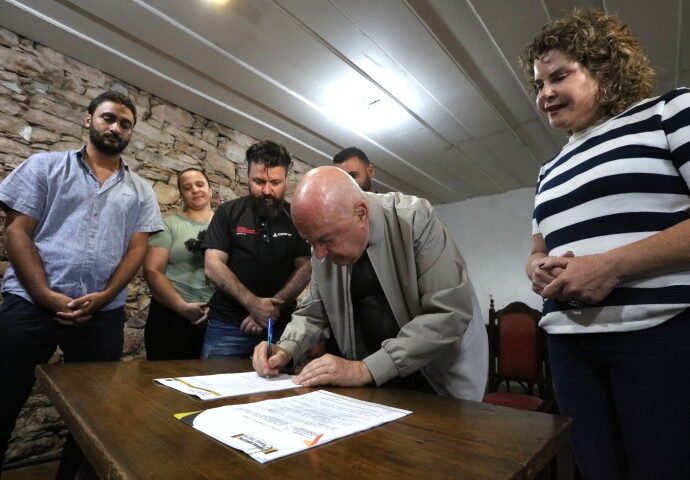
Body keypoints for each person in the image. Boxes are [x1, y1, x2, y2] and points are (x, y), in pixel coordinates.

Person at [522, 9, 690, 479]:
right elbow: (537, 250)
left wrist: (612, 266)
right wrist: (536, 269)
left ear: (605, 68)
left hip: (662, 336)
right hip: (568, 348)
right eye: (538, 84)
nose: (544, 93)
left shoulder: (669, 112)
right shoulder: (547, 170)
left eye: (559, 76)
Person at [0, 91, 164, 473]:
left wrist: (106, 296)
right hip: (30, 303)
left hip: (101, 314)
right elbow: (17, 231)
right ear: (89, 119)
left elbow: (137, 249)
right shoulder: (45, 166)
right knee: (3, 398)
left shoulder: (141, 190)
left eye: (125, 124)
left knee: (92, 416)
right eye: (109, 118)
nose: (116, 127)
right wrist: (44, 294)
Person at [252, 166, 487, 400]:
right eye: (310, 243)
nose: (319, 254)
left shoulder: (415, 219)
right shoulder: (322, 245)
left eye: (326, 240)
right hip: (374, 385)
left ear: (361, 214)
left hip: (437, 381)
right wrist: (284, 349)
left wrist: (363, 369)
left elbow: (447, 312)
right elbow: (313, 313)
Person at [201, 140, 312, 358]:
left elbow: (306, 266)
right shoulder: (227, 212)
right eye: (259, 181)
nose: (267, 190)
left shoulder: (297, 217)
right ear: (248, 176)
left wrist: (270, 309)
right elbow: (212, 265)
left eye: (275, 182)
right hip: (228, 326)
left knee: (276, 381)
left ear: (286, 179)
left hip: (279, 327)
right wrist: (253, 304)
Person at [143, 168, 215, 360]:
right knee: (165, 372)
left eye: (200, 184)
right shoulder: (168, 225)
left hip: (215, 316)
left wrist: (217, 307)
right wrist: (182, 307)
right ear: (181, 194)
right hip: (171, 313)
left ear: (210, 190)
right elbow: (152, 270)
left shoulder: (226, 226)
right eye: (187, 187)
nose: (195, 190)